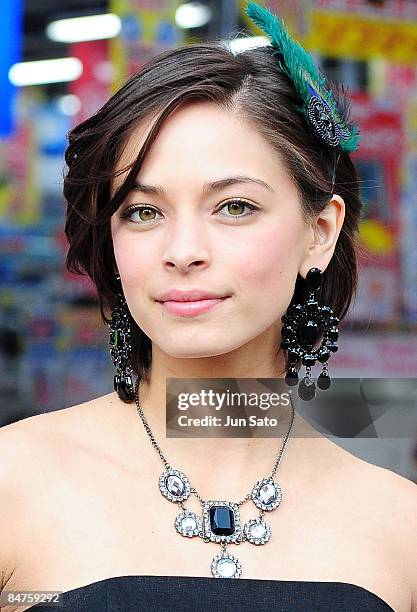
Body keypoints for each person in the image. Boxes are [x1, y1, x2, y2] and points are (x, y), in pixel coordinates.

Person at [1, 2, 416, 611]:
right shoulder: (13, 485)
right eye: (143, 212)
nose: (183, 251)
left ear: (320, 232)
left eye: (235, 207)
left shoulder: (399, 528)